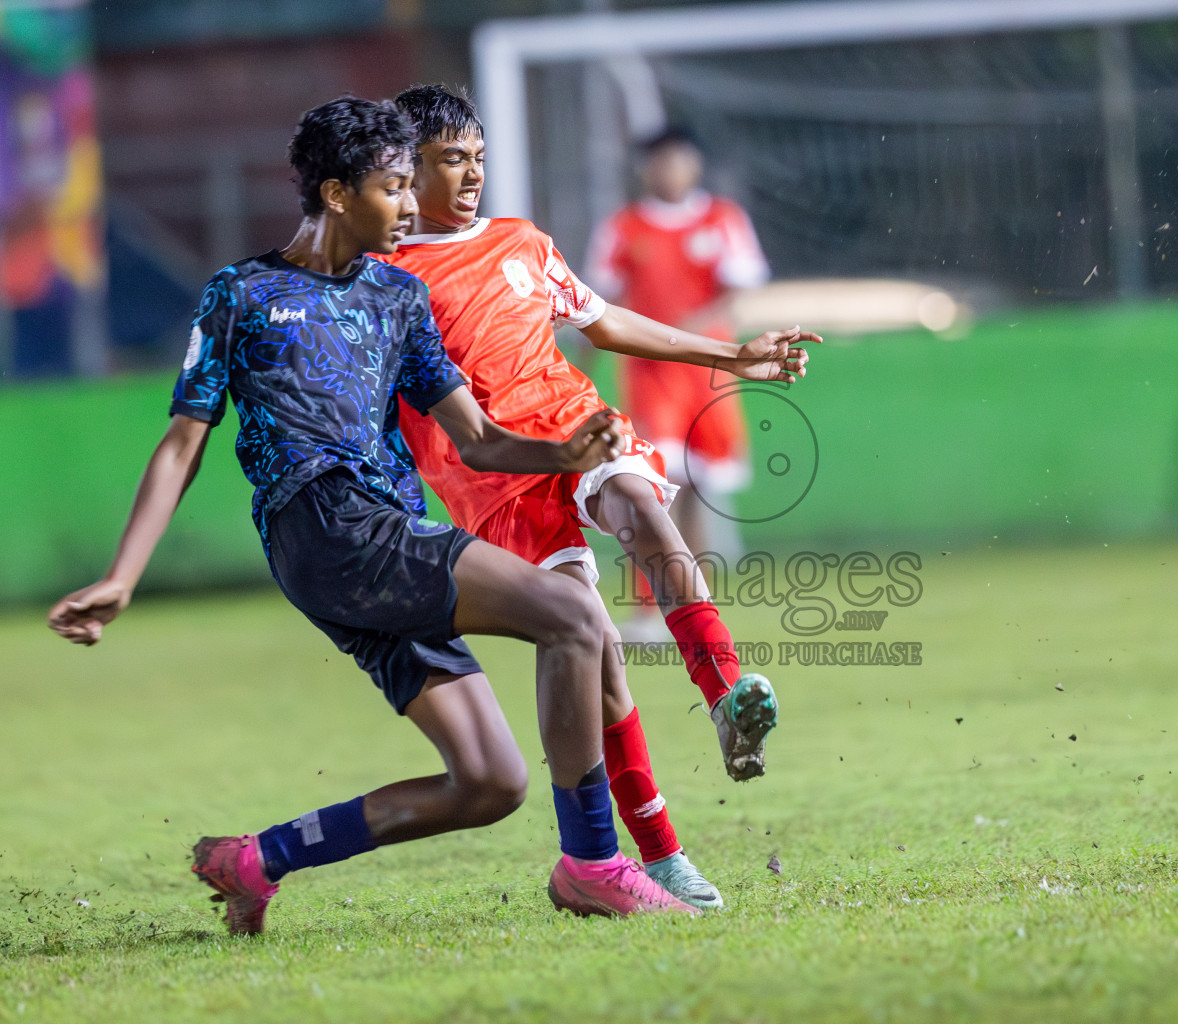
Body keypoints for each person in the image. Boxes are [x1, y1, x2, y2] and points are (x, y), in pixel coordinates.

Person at [46, 96, 697, 932]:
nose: (409, 204)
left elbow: (482, 441)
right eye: (393, 188)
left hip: (384, 535)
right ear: (337, 194)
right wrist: (121, 576)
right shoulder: (242, 293)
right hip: (326, 526)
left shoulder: (399, 297)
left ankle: (255, 861)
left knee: (490, 783)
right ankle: (595, 865)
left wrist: (566, 454)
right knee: (575, 615)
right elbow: (182, 443)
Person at [376, 86, 816, 905]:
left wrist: (733, 359)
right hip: (489, 477)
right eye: (450, 161)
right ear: (407, 169)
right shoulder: (382, 277)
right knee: (596, 655)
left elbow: (606, 320)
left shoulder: (521, 242)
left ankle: (724, 691)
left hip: (574, 420)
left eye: (477, 158)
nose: (471, 175)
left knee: (645, 506)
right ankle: (657, 853)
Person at [585, 126, 771, 637]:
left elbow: (738, 291)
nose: (669, 171)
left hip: (709, 375)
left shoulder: (723, 220)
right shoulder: (623, 228)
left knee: (701, 488)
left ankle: (695, 608)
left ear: (695, 166)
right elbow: (595, 306)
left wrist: (695, 329)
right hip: (651, 377)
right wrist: (580, 368)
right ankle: (651, 607)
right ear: (645, 169)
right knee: (653, 485)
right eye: (659, 162)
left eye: (678, 160)